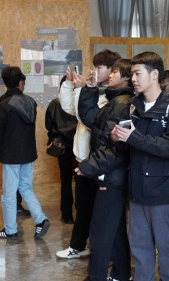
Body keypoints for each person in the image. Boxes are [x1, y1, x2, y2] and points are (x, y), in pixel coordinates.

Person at [111, 51, 169, 281]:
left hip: (163, 189)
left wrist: (134, 137)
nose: (133, 79)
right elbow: (129, 144)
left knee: (166, 246)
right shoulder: (133, 106)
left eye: (137, 73)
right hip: (137, 187)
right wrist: (118, 138)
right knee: (139, 246)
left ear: (154, 74)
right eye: (132, 74)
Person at [57, 49, 121, 259]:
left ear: (112, 70)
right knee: (83, 206)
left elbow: (87, 118)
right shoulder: (95, 91)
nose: (95, 71)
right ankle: (79, 245)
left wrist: (80, 90)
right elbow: (69, 108)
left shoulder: (110, 97)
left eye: (99, 67)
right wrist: (69, 85)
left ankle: (98, 251)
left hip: (98, 161)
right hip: (84, 158)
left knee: (95, 209)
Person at [77, 59, 134, 281]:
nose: (110, 74)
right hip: (111, 175)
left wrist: (87, 167)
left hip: (112, 177)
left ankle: (96, 277)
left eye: (116, 71)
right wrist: (90, 90)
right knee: (115, 229)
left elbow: (115, 148)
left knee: (100, 232)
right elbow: (91, 119)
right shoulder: (115, 101)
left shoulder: (122, 103)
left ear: (126, 77)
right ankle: (121, 274)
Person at [0, 66, 50, 239]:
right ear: (20, 83)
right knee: (26, 187)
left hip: (11, 155)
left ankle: (10, 230)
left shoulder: (4, 104)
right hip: (28, 153)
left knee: (9, 194)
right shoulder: (31, 102)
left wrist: (1, 145)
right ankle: (41, 219)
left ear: (5, 83)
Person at [45, 76, 78, 224]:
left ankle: (66, 215)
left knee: (65, 181)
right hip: (79, 146)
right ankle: (82, 212)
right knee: (81, 181)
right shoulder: (78, 102)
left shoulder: (54, 104)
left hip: (62, 147)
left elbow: (48, 125)